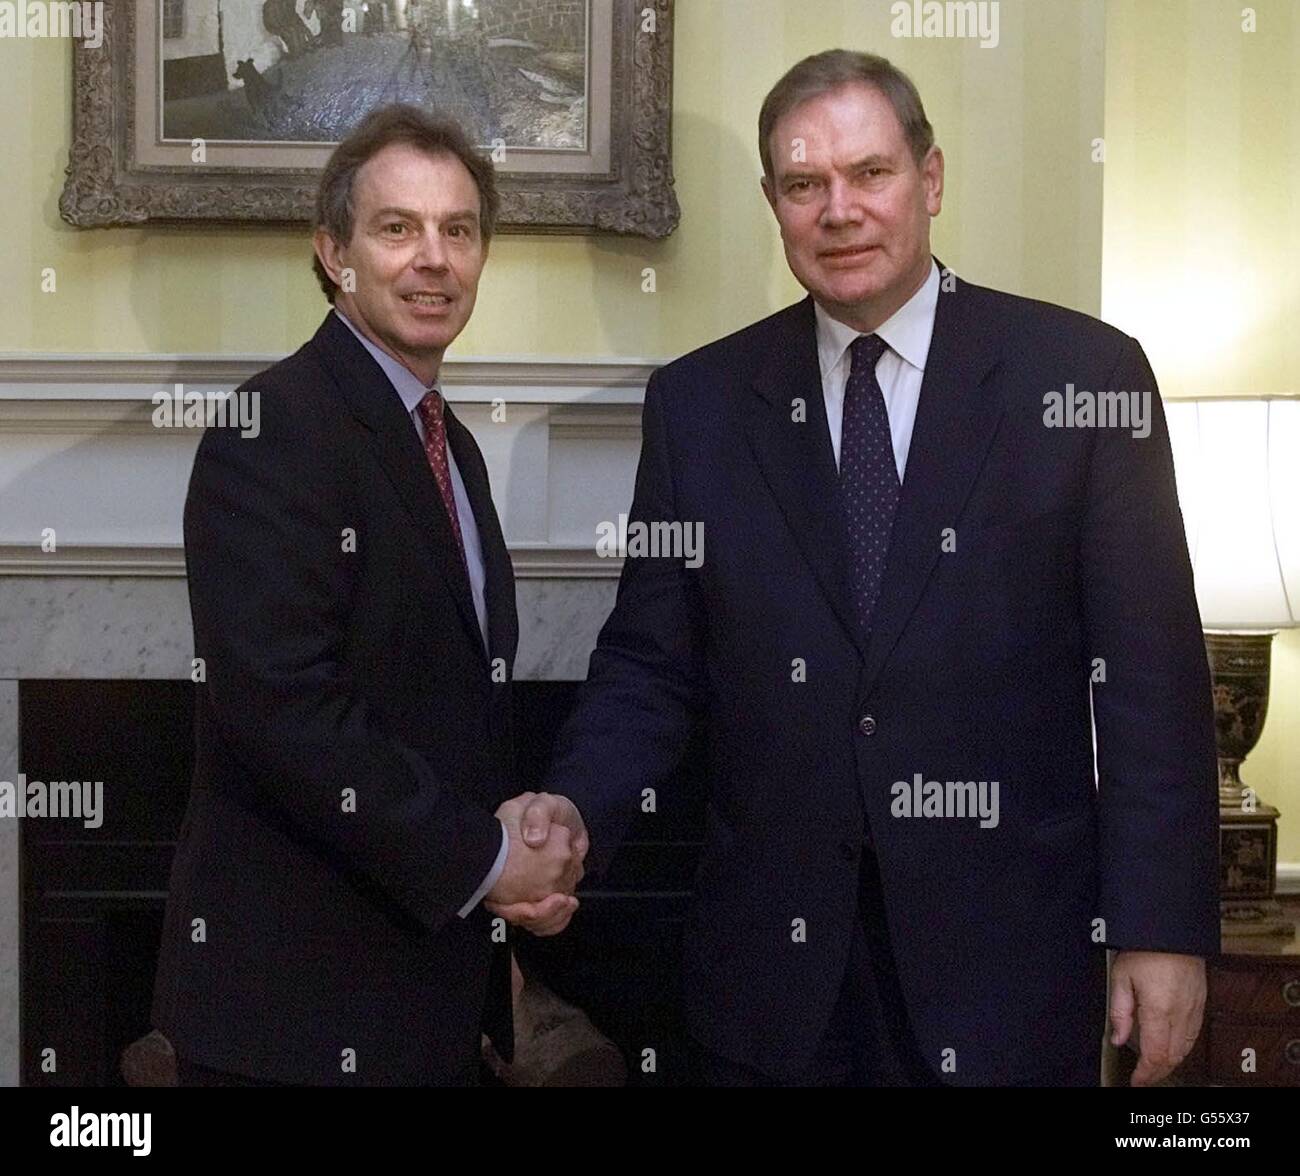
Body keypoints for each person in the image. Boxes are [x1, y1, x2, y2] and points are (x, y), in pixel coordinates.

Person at [517, 50, 1219, 1086]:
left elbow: (1152, 683)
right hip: (770, 982)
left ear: (929, 180)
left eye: (869, 174)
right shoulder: (699, 406)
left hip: (1003, 972)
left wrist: (1161, 929)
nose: (837, 210)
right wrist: (574, 811)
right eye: (805, 185)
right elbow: (649, 667)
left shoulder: (1082, 380)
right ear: (773, 202)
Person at [152, 104, 587, 1087]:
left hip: (417, 999)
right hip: (290, 1018)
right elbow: (283, 709)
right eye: (396, 228)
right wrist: (484, 858)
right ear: (331, 251)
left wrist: (519, 839)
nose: (433, 258)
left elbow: (447, 702)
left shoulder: (451, 447)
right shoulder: (272, 425)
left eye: (459, 230)